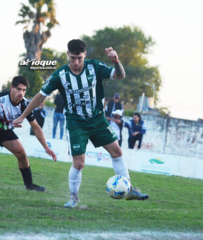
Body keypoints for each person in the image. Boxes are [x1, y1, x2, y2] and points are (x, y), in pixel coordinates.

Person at [13, 39, 149, 208]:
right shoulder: (60, 75)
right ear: (67, 55)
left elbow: (119, 75)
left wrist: (116, 62)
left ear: (85, 55)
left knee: (117, 151)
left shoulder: (94, 67)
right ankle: (73, 198)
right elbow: (40, 96)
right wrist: (22, 116)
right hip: (76, 122)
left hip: (98, 119)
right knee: (79, 163)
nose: (76, 62)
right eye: (72, 58)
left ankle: (128, 189)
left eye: (79, 58)